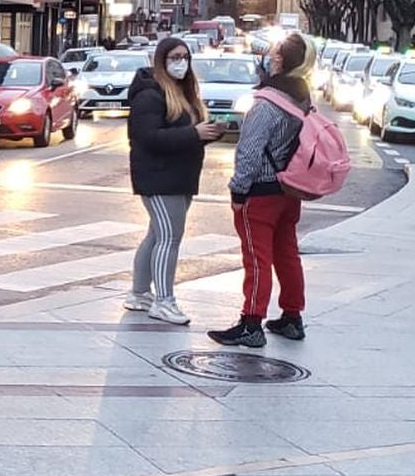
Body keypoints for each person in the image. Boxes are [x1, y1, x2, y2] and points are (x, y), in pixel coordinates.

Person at [210, 32, 317, 347]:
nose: (267, 56)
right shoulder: (302, 98)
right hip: (290, 188)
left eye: (272, 52)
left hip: (260, 191)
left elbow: (249, 151)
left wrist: (238, 191)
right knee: (287, 253)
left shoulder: (267, 102)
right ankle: (292, 317)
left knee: (257, 258)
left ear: (280, 61)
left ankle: (251, 323)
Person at [125, 37, 222, 325]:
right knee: (169, 238)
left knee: (157, 235)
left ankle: (140, 292)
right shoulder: (150, 95)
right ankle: (163, 301)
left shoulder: (182, 92)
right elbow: (148, 137)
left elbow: (178, 133)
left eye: (185, 57)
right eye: (175, 57)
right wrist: (194, 134)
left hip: (178, 175)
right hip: (159, 177)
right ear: (162, 60)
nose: (181, 63)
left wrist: (205, 133)